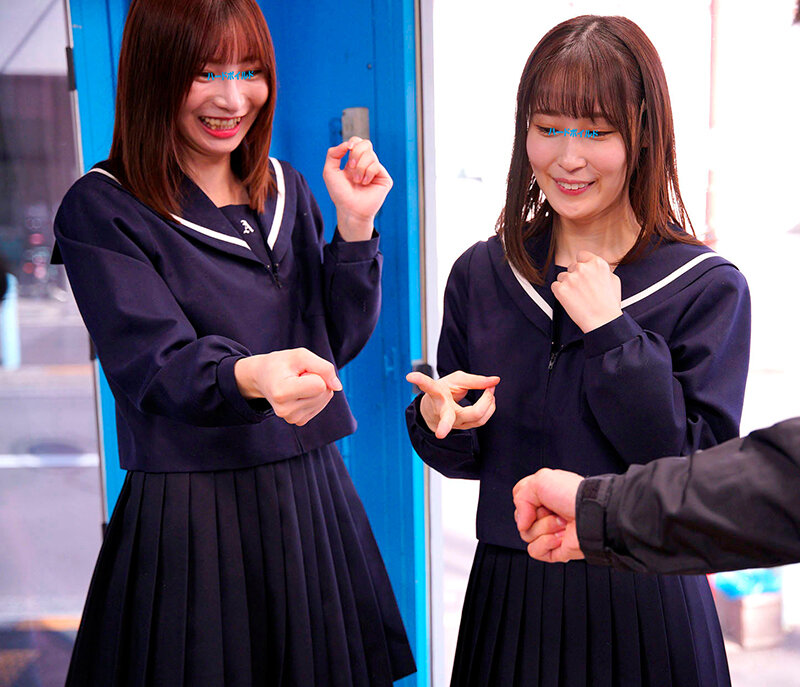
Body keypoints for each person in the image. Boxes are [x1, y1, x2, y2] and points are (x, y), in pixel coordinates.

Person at [53, 0, 415, 684]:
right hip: (195, 510)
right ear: (154, 73)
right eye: (205, 72)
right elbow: (156, 366)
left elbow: (333, 342)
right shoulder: (103, 205)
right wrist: (254, 376)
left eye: (250, 70)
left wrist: (355, 227)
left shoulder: (286, 186)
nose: (232, 98)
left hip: (312, 493)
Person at [406, 14, 750, 687]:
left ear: (643, 133)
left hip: (648, 604)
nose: (567, 157)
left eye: (596, 132)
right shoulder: (485, 272)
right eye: (548, 127)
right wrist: (441, 419)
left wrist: (612, 333)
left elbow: (694, 475)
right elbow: (464, 457)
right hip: (510, 600)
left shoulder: (708, 286)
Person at [513, 417, 800, 574]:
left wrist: (599, 507)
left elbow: (695, 446)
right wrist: (598, 508)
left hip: (650, 581)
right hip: (522, 561)